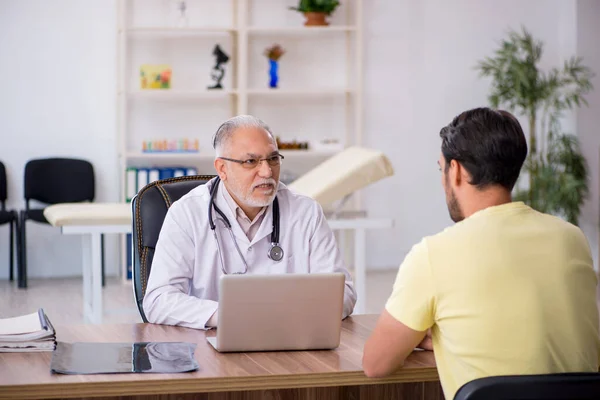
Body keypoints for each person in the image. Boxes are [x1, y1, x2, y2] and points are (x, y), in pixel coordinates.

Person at [362, 107, 600, 399]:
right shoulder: (573, 239)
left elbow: (375, 363)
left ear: (456, 170)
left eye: (442, 169)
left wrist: (441, 334)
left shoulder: (433, 254)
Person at [143, 115, 357, 329]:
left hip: (290, 341)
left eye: (273, 159)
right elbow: (158, 300)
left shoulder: (305, 212)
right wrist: (231, 316)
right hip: (209, 345)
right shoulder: (187, 213)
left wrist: (288, 315)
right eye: (250, 161)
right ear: (222, 169)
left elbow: (344, 292)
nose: (267, 172)